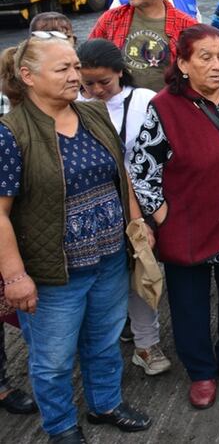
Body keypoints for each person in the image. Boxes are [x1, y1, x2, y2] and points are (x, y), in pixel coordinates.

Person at [0, 33, 151, 443]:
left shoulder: (94, 114)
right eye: (63, 68)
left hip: (108, 259)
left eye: (75, 66)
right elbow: (0, 213)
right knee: (52, 360)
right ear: (28, 76)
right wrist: (14, 277)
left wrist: (138, 232)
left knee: (104, 342)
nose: (76, 76)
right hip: (54, 272)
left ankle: (105, 404)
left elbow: (121, 177)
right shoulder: (11, 133)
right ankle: (62, 426)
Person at [129, 24, 219, 408]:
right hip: (187, 222)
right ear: (184, 64)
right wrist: (160, 212)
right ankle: (202, 371)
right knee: (189, 303)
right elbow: (143, 168)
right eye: (205, 57)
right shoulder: (164, 106)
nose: (218, 64)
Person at [75, 39, 171, 377]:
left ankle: (147, 343)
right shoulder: (73, 106)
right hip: (94, 207)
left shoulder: (145, 101)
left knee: (140, 272)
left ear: (120, 72)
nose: (97, 90)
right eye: (88, 84)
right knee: (106, 279)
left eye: (104, 82)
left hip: (138, 204)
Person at [90, 0, 199, 92]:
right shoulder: (111, 19)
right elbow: (89, 61)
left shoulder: (187, 27)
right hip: (121, 109)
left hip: (167, 109)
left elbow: (198, 75)